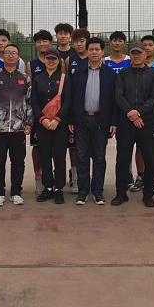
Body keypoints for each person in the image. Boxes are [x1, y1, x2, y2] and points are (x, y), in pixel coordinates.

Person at [0, 43, 33, 207]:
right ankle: (0, 193)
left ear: (18, 57)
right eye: (7, 53)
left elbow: (29, 102)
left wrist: (29, 122)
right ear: (3, 56)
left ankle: (16, 192)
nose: (10, 55)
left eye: (14, 53)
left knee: (18, 161)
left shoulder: (25, 78)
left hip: (18, 128)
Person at [69, 37, 117, 205]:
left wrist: (113, 121)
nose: (94, 52)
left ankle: (97, 191)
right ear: (87, 51)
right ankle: (82, 192)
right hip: (82, 119)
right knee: (82, 156)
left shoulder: (110, 74)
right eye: (91, 49)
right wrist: (72, 119)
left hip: (101, 120)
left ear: (103, 52)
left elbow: (114, 100)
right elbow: (72, 97)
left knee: (99, 157)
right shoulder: (78, 72)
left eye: (97, 49)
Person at [113, 42, 154, 207]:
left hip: (146, 123)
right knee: (122, 159)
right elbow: (118, 96)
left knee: (149, 159)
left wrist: (139, 113)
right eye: (133, 53)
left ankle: (148, 194)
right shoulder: (123, 73)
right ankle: (121, 193)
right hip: (126, 123)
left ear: (145, 54)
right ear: (130, 55)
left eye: (139, 53)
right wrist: (132, 115)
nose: (136, 56)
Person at [31, 47, 71, 204]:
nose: (51, 61)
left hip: (59, 125)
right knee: (45, 156)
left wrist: (57, 119)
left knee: (59, 157)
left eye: (54, 59)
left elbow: (67, 102)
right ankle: (47, 187)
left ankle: (58, 188)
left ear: (58, 61)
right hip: (43, 125)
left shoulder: (64, 79)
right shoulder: (37, 79)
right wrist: (43, 119)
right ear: (44, 60)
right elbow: (34, 102)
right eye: (48, 58)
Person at [131, 35, 154, 194]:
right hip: (134, 115)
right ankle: (141, 176)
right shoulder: (132, 66)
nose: (147, 47)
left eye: (150, 45)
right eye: (144, 45)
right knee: (139, 147)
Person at [63, 28, 90, 193]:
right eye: (76, 41)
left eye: (82, 41)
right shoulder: (69, 60)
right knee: (73, 146)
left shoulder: (94, 58)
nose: (79, 44)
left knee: (92, 148)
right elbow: (65, 84)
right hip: (74, 110)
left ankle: (88, 177)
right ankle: (75, 177)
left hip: (92, 109)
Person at [27, 29, 53, 194]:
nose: (42, 44)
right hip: (38, 113)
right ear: (35, 44)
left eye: (45, 41)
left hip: (55, 114)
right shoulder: (31, 65)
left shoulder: (58, 61)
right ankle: (39, 178)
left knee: (56, 147)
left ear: (50, 43)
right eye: (39, 41)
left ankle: (52, 177)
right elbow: (30, 91)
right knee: (37, 147)